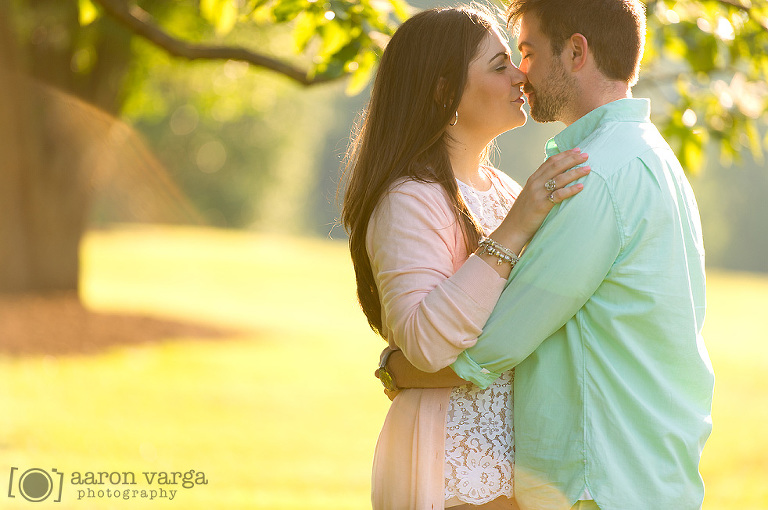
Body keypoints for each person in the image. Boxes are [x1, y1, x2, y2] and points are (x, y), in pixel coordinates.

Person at [393, 0, 716, 509]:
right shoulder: (649, 153)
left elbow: (498, 340)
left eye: (527, 51)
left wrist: (401, 369)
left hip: (597, 482)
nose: (523, 73)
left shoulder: (594, 175)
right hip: (646, 475)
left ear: (575, 52)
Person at [340, 6, 591, 509]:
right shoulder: (410, 199)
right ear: (442, 93)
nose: (521, 73)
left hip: (522, 459)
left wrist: (397, 367)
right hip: (452, 458)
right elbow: (428, 343)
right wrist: (517, 226)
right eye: (499, 66)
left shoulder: (507, 190)